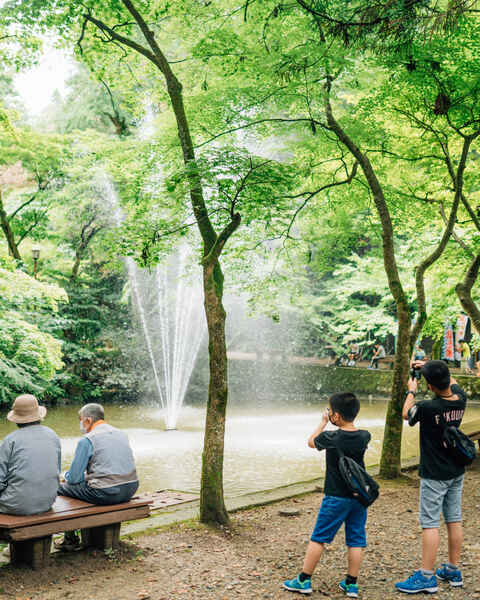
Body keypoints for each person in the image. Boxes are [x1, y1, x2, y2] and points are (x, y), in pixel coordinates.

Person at [283, 393, 371, 598]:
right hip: (359, 497)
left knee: (319, 538)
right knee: (356, 539)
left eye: (330, 411)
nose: (328, 413)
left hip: (336, 497)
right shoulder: (365, 435)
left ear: (336, 416)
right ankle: (351, 584)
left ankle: (303, 580)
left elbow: (311, 442)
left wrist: (323, 423)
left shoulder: (331, 437)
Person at [395, 360, 466, 594]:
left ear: (430, 386)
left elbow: (406, 413)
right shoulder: (461, 398)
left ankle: (426, 576)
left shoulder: (428, 408)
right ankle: (453, 569)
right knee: (453, 518)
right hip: (456, 470)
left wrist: (411, 390)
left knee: (430, 523)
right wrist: (431, 366)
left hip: (435, 473)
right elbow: (452, 382)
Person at [56, 403, 139, 550]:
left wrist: (65, 476)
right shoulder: (121, 433)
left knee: (60, 488)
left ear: (87, 420)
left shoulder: (87, 440)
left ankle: (70, 539)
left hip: (106, 493)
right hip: (131, 488)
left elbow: (74, 479)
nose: (80, 424)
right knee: (77, 486)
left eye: (80, 420)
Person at [0, 394, 61, 515]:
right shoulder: (52, 435)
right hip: (47, 501)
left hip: (16, 505)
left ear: (16, 419)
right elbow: (57, 470)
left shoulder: (10, 440)